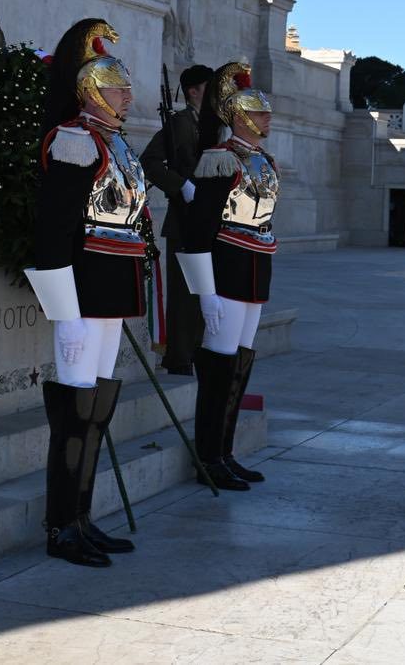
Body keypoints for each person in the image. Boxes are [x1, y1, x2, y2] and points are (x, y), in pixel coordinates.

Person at [24, 19, 148, 567]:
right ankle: (60, 527)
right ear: (93, 90)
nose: (128, 94)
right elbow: (51, 231)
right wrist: (63, 309)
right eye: (118, 86)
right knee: (74, 408)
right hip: (80, 288)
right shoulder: (75, 141)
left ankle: (82, 517)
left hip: (112, 288)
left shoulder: (116, 144)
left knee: (96, 406)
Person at [176, 61, 279, 491]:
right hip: (227, 267)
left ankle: (226, 450)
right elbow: (198, 230)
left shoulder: (263, 159)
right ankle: (208, 455)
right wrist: (205, 292)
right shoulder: (219, 160)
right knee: (218, 366)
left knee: (240, 364)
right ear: (238, 116)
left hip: (256, 268)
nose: (266, 118)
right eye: (258, 112)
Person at [140, 63, 215, 374]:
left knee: (204, 290)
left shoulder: (213, 125)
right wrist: (181, 185)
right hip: (183, 219)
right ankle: (179, 356)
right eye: (210, 88)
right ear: (193, 91)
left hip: (207, 219)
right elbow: (150, 162)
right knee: (184, 295)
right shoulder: (180, 123)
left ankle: (197, 350)